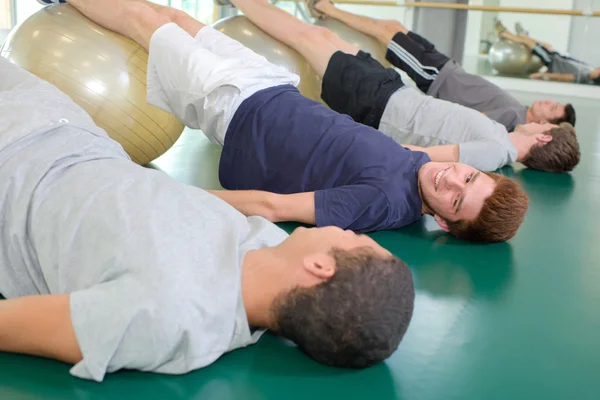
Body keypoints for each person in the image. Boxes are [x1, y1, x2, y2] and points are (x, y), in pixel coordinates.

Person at [1, 3, 420, 382]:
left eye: (353, 239)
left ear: (319, 268)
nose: (346, 230)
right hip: (65, 126)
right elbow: (189, 203)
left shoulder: (166, 315)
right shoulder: (268, 245)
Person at [50, 0, 528, 242]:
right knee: (171, 16)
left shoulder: (381, 203)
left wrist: (169, 196)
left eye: (457, 199)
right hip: (268, 85)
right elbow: (406, 156)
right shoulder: (418, 169)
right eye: (468, 176)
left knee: (143, 21)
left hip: (235, 107)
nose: (452, 178)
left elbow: (276, 209)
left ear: (445, 224)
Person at [220, 0, 580, 174]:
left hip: (377, 102)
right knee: (321, 35)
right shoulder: (501, 141)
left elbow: (415, 154)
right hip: (392, 91)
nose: (541, 119)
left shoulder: (495, 153)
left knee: (306, 36)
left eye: (549, 124)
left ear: (544, 137)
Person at [307, 0, 577, 133]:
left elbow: (475, 121)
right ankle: (328, 9)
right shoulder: (518, 110)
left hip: (437, 77)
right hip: (446, 66)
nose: (547, 101)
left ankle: (325, 8)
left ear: (544, 123)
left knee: (385, 33)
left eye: (552, 108)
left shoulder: (514, 119)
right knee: (393, 27)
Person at [498, 21, 600, 86]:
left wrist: (544, 74)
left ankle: (505, 34)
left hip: (552, 61)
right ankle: (523, 35)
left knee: (530, 44)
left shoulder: (588, 75)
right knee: (545, 45)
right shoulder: (591, 68)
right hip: (557, 57)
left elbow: (568, 77)